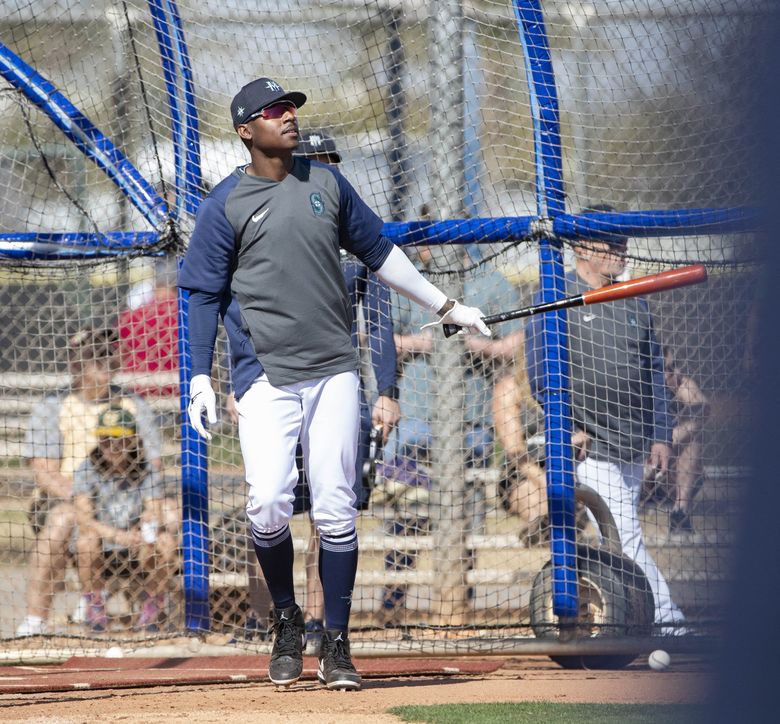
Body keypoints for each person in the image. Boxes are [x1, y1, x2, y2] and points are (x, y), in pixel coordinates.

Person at [178, 77, 489, 691]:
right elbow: (202, 295)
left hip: (334, 371)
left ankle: (338, 644)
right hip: (263, 375)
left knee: (336, 507)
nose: (288, 116)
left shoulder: (326, 184)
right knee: (267, 503)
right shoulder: (226, 203)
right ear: (247, 131)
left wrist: (446, 305)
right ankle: (287, 622)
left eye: (290, 107)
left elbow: (381, 252)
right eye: (273, 111)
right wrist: (197, 377)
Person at [230, 129, 401, 650]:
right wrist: (237, 388)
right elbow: (233, 311)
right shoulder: (266, 223)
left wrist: (388, 389)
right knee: (270, 504)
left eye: (331, 161)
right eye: (316, 160)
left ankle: (323, 629)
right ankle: (272, 622)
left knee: (331, 512)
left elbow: (381, 317)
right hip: (274, 385)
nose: (326, 170)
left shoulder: (350, 241)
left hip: (333, 386)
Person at [525, 205, 687, 632]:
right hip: (591, 443)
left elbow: (653, 372)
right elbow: (540, 371)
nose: (621, 250)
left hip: (634, 441)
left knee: (624, 539)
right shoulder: (555, 293)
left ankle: (633, 621)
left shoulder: (632, 297)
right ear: (583, 246)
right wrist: (566, 423)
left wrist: (660, 435)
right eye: (611, 242)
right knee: (626, 537)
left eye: (623, 241)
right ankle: (670, 623)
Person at [15, 328, 163, 637]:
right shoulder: (54, 405)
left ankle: (159, 608)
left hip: (127, 495)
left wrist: (133, 505)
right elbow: (44, 472)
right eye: (94, 355)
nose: (104, 360)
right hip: (67, 497)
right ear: (75, 363)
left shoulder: (133, 404)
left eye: (110, 353)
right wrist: (87, 498)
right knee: (61, 523)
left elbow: (154, 464)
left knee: (169, 518)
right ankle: (35, 620)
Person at [73, 406, 177, 632]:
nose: (112, 446)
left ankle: (153, 604)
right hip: (103, 544)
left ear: (132, 440)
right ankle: (95, 603)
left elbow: (154, 509)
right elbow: (84, 519)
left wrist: (146, 528)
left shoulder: (146, 468)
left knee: (166, 542)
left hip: (137, 545)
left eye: (119, 439)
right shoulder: (87, 468)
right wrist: (118, 536)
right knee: (85, 541)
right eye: (105, 439)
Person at [662, 346, 710, 535]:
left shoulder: (681, 384)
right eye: (670, 368)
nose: (678, 372)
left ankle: (680, 512)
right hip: (642, 469)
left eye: (676, 366)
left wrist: (668, 441)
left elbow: (703, 411)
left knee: (693, 438)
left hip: (671, 469)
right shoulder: (637, 391)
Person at [117, 259, 179, 399]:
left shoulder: (132, 317)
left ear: (155, 285)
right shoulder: (187, 316)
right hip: (182, 392)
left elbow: (117, 351)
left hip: (139, 394)